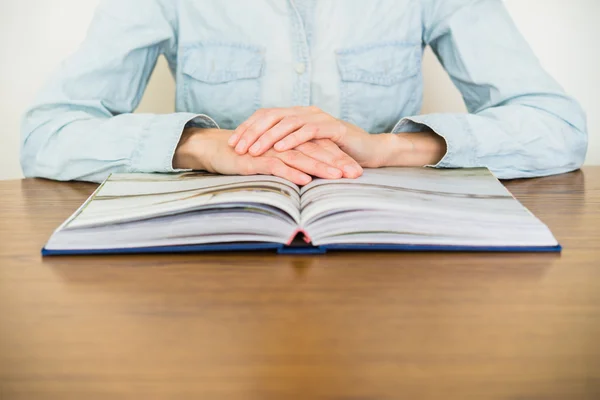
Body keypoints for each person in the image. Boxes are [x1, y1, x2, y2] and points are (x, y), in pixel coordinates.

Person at [21, 0, 587, 185]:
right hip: (217, 279)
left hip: (393, 276)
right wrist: (202, 146)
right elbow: (48, 132)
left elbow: (558, 128)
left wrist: (388, 148)